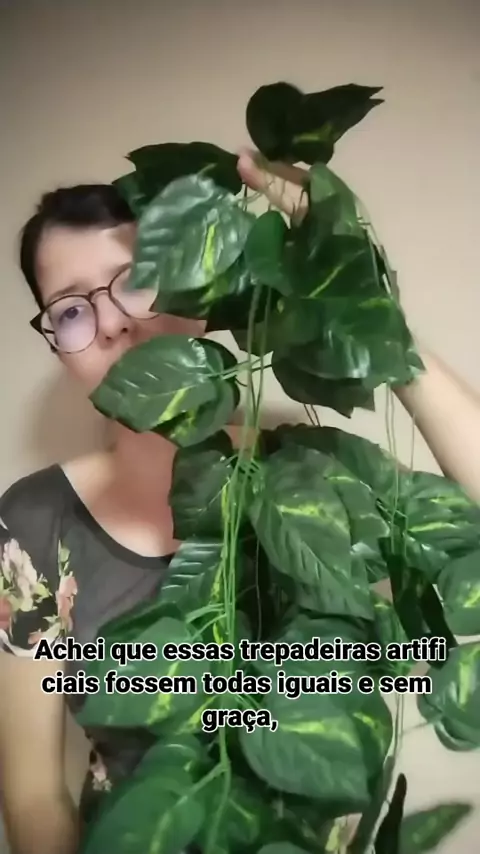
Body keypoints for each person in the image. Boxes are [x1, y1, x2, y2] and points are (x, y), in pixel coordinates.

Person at [0, 149, 479, 854]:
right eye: (70, 310)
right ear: (57, 345)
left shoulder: (310, 472)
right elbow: (32, 794)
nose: (110, 323)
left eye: (139, 279)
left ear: (201, 288)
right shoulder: (36, 522)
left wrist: (369, 311)